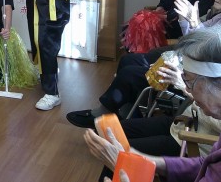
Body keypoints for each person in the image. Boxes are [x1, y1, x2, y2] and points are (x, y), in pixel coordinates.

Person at [67, 0, 221, 128]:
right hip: (186, 59)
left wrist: (194, 22)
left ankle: (105, 113)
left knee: (130, 73)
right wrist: (184, 9)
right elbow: (192, 38)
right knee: (128, 60)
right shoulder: (218, 16)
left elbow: (201, 49)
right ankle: (126, 111)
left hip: (192, 77)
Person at [84, 26, 221, 182]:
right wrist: (141, 158)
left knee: (119, 160)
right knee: (119, 153)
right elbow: (206, 165)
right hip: (182, 124)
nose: (188, 90)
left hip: (188, 134)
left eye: (188, 81)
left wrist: (125, 166)